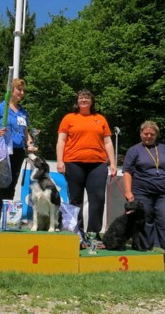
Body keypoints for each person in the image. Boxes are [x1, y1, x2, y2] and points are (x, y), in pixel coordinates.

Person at [56, 89, 116, 247]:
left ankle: (94, 234)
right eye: (81, 97)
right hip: (73, 163)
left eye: (87, 97)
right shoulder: (69, 118)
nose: (84, 100)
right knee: (76, 200)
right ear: (77, 101)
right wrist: (60, 161)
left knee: (98, 199)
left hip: (98, 164)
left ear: (91, 101)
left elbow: (108, 142)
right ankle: (78, 235)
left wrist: (113, 162)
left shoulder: (100, 119)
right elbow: (61, 140)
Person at [121, 120, 165, 270]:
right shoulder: (134, 150)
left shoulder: (164, 149)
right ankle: (145, 252)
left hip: (164, 193)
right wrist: (128, 192)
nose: (148, 136)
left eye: (151, 134)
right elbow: (127, 172)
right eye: (145, 133)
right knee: (144, 220)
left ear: (156, 135)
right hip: (142, 191)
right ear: (141, 133)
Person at [0, 78, 35, 229]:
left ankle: (7, 216)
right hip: (4, 150)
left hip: (19, 151)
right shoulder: (0, 108)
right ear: (11, 91)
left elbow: (25, 132)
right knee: (4, 183)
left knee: (13, 183)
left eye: (23, 90)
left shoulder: (23, 112)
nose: (22, 93)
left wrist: (30, 143)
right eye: (19, 89)